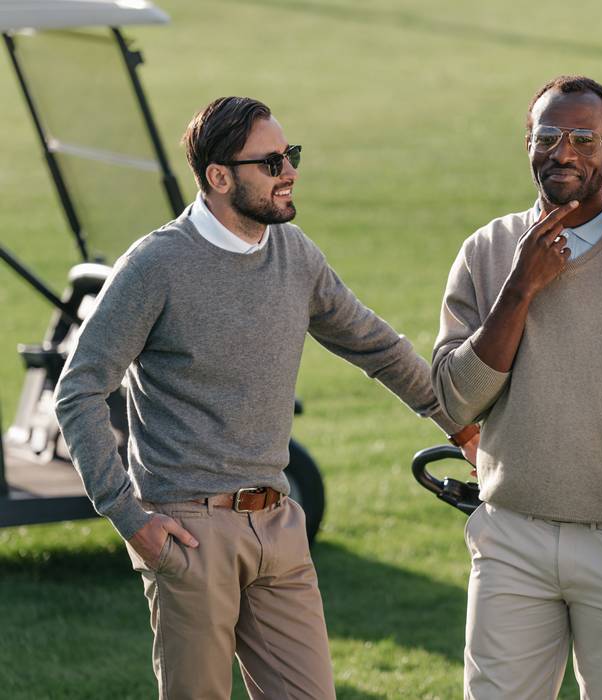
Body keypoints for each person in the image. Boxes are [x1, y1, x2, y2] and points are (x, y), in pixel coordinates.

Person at [54, 96, 478, 700]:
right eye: (272, 162)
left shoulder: (294, 253)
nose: (290, 172)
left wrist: (459, 425)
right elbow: (79, 390)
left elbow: (375, 345)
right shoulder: (157, 265)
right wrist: (129, 517)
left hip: (279, 526)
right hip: (189, 532)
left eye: (291, 155)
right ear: (219, 177)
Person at [432, 75, 602, 699]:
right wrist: (520, 286)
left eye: (584, 138)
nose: (564, 152)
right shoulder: (486, 250)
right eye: (550, 136)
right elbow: (455, 398)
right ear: (527, 143)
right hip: (510, 535)